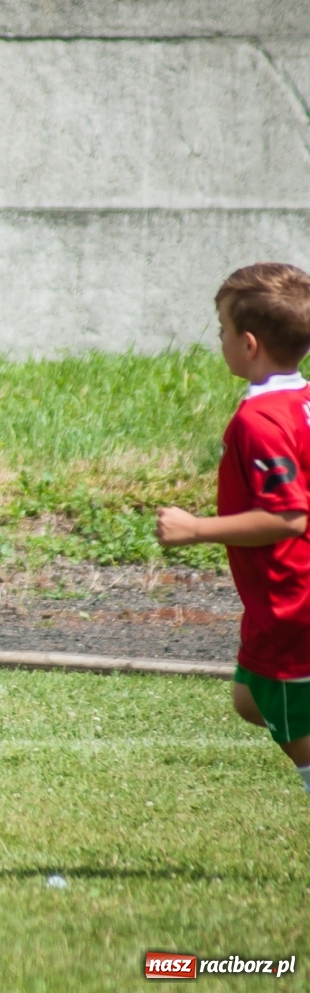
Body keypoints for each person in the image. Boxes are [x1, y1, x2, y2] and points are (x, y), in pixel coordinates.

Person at [157, 262, 310, 793]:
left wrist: (196, 528)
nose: (218, 340)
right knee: (249, 699)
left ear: (248, 344)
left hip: (290, 603)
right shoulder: (301, 402)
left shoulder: (259, 421)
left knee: (299, 739)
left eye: (221, 330)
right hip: (281, 601)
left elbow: (289, 516)